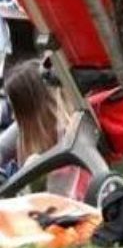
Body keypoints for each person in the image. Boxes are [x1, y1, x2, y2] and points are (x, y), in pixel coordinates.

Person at [0, 61, 87, 198]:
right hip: (35, 201)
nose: (12, 116)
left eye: (17, 110)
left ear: (31, 109)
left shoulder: (69, 135)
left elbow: (61, 197)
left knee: (33, 162)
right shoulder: (24, 127)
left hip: (65, 205)